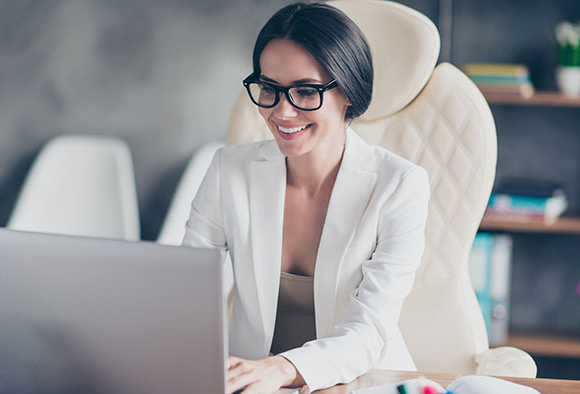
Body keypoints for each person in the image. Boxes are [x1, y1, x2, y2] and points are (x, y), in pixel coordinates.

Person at [183, 2, 430, 393]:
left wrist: (280, 369)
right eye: (269, 88)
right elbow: (186, 295)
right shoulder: (227, 169)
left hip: (358, 384)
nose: (282, 111)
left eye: (305, 91)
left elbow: (369, 332)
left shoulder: (399, 185)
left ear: (348, 90)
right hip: (251, 387)